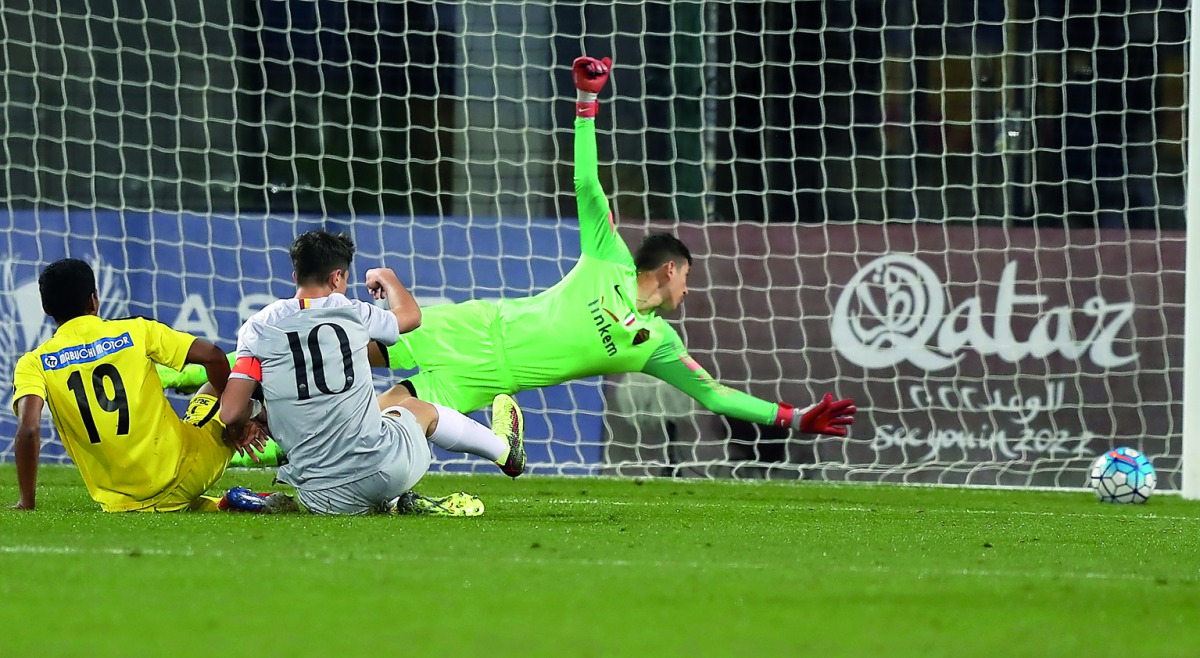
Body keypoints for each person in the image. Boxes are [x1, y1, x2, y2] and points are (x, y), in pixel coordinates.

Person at [165, 56, 856, 467]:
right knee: (340, 340)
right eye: (688, 280)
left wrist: (791, 418)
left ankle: (255, 444)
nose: (687, 294)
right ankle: (214, 380)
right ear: (670, 268)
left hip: (479, 379)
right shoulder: (608, 257)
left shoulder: (659, 345)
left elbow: (716, 396)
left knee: (377, 422)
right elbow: (589, 185)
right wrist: (587, 104)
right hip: (462, 326)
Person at [218, 230, 525, 516]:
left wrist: (251, 417)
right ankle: (503, 451)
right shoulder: (349, 311)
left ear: (296, 275)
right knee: (410, 409)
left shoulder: (257, 327)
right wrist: (387, 278)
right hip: (385, 471)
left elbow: (231, 412)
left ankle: (391, 503)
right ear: (337, 276)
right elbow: (410, 317)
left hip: (319, 498)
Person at [8, 258, 279, 512]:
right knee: (224, 384)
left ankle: (225, 502)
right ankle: (279, 442)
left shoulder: (33, 363)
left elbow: (29, 429)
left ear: (46, 309)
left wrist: (26, 502)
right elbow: (214, 357)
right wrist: (236, 422)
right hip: (186, 471)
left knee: (169, 502)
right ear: (94, 300)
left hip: (121, 504)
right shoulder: (136, 330)